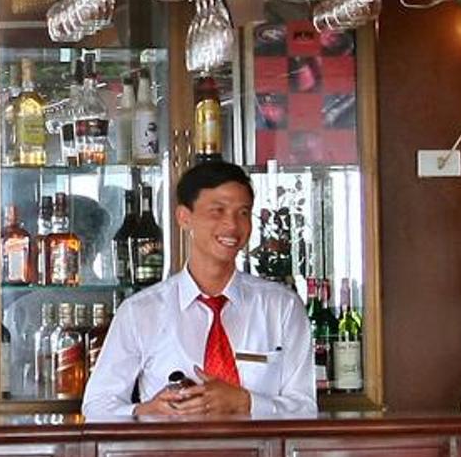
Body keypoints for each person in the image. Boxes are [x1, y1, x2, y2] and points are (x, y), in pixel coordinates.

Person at [80, 160, 316, 420]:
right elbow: (97, 406)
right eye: (218, 211)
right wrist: (145, 410)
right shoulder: (141, 311)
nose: (232, 225)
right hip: (172, 446)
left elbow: (305, 409)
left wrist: (245, 402)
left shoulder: (281, 307)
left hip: (261, 448)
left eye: (243, 213)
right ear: (184, 217)